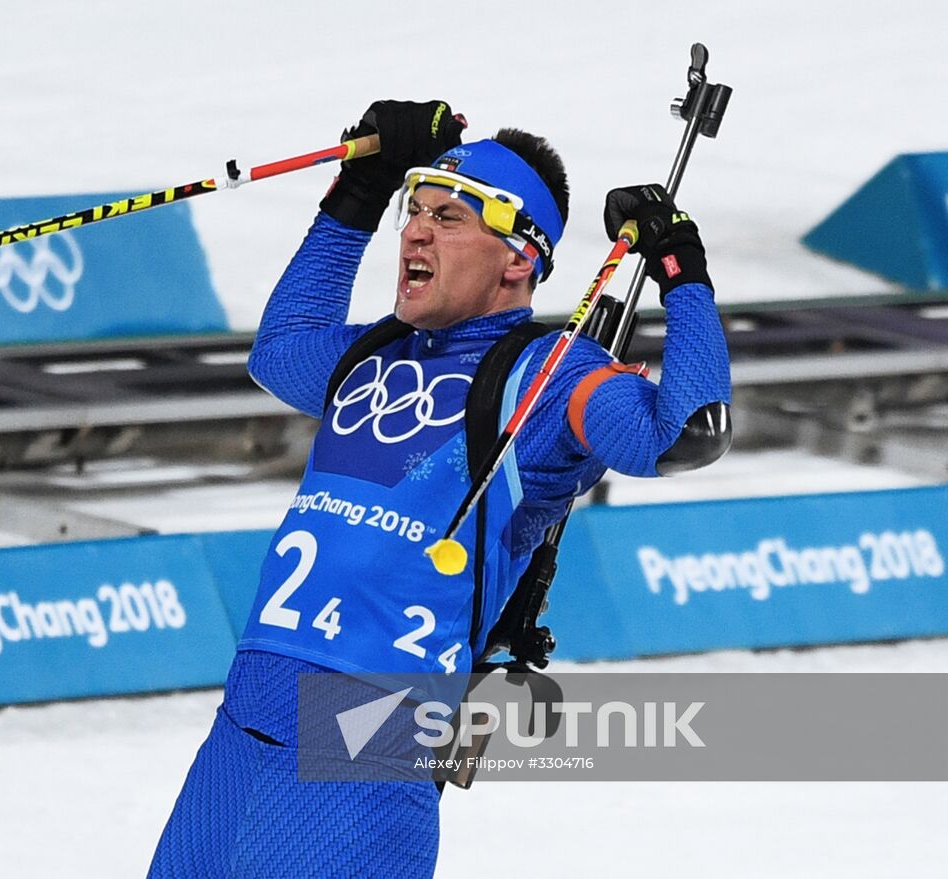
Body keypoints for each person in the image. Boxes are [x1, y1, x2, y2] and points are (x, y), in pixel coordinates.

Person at [148, 100, 731, 878]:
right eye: (411, 210)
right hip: (245, 715)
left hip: (366, 733)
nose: (415, 232)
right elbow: (279, 351)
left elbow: (687, 429)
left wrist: (681, 273)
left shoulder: (550, 377)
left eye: (449, 217)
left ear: (518, 257)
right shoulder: (375, 352)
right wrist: (360, 188)